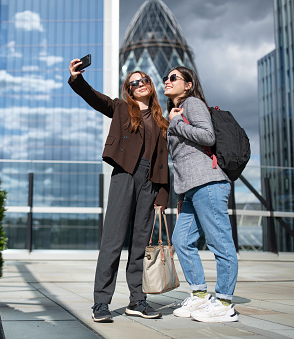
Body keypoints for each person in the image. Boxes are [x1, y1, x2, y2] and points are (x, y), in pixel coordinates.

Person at [68, 58, 170, 323]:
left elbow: (164, 160)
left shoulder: (162, 120)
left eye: (143, 80)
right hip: (125, 174)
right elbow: (96, 99)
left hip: (150, 181)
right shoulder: (123, 108)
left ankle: (137, 300)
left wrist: (163, 193)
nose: (139, 84)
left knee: (140, 244)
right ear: (129, 89)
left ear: (150, 85)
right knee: (112, 242)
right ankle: (101, 302)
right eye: (133, 82)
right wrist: (77, 79)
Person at [164, 66, 239, 323]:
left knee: (220, 242)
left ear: (188, 84)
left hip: (209, 182)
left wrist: (175, 123)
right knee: (182, 240)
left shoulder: (193, 103)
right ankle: (199, 295)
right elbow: (181, 159)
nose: (167, 80)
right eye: (166, 77)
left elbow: (207, 136)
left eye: (174, 77)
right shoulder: (175, 113)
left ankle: (224, 303)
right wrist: (180, 197)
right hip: (190, 189)